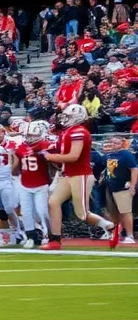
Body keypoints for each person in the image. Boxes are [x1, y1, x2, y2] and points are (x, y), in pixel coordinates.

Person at [40, 104, 117, 250]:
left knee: (82, 213)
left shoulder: (79, 132)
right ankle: (55, 239)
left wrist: (51, 156)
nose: (64, 119)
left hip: (80, 175)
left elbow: (73, 156)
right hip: (68, 174)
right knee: (53, 202)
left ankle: (110, 227)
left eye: (68, 116)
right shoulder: (67, 132)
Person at [13, 120, 53, 248]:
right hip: (25, 183)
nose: (30, 138)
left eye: (33, 135)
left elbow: (53, 165)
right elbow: (15, 169)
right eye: (28, 135)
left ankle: (49, 235)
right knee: (26, 212)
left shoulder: (45, 145)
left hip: (41, 184)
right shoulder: (21, 148)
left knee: (42, 211)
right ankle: (31, 236)